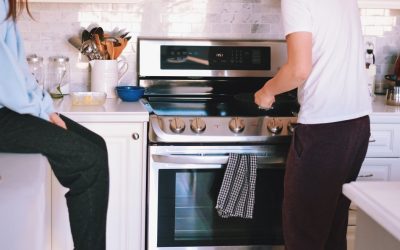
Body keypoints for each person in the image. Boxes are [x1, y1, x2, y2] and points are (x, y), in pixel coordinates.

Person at [255, 0, 371, 249]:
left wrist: (267, 91)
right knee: (332, 229)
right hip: (357, 123)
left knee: (304, 235)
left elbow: (298, 70)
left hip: (325, 128)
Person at [0, 1, 109, 249]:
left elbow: (17, 69)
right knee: (88, 159)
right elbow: (4, 76)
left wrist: (46, 108)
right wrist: (40, 110)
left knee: (96, 146)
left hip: (6, 109)